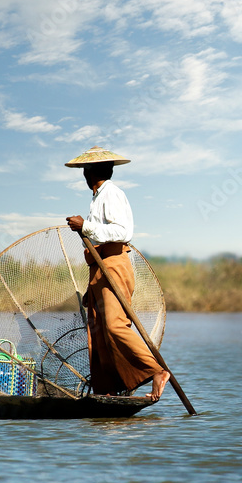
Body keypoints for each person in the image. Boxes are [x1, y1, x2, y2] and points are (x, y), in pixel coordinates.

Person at [63, 146, 170, 401]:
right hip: (100, 267)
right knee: (98, 332)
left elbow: (122, 232)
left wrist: (85, 226)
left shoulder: (111, 193)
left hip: (113, 264)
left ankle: (156, 371)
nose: (84, 174)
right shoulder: (97, 197)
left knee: (114, 325)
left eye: (86, 170)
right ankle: (107, 389)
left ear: (90, 172)